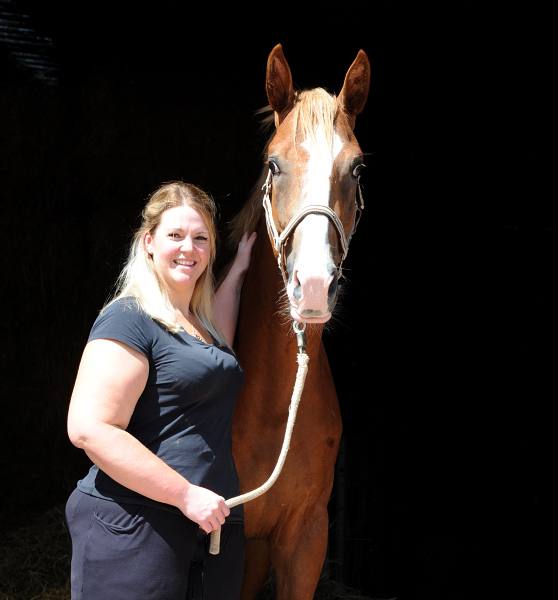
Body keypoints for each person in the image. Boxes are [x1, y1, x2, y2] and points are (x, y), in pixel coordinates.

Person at [65, 181, 256, 600]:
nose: (188, 248)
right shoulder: (129, 318)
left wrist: (242, 267)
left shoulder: (201, 328)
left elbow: (213, 357)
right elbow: (88, 428)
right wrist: (185, 494)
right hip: (137, 525)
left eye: (200, 238)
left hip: (209, 530)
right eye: (175, 235)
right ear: (149, 241)